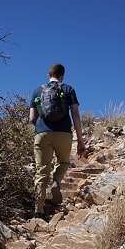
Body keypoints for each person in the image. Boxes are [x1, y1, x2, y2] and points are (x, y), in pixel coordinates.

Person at [29, 63, 86, 219]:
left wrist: (42, 128)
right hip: (63, 133)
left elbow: (32, 118)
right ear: (62, 76)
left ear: (48, 76)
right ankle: (56, 181)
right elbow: (75, 113)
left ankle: (38, 211)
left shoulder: (37, 90)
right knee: (63, 162)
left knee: (41, 172)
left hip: (42, 134)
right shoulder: (68, 89)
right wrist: (80, 140)